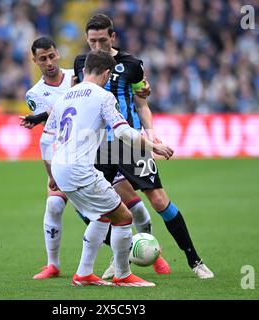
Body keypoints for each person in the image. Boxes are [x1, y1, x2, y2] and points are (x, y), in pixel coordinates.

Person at [73, 14, 214, 279]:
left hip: (129, 143)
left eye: (103, 40)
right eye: (92, 41)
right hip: (97, 147)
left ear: (112, 37)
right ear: (86, 39)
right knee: (95, 207)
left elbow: (142, 104)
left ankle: (195, 261)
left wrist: (152, 135)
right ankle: (121, 258)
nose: (98, 46)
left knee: (159, 199)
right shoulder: (81, 63)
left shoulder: (132, 65)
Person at [20, 37, 163, 280]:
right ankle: (123, 275)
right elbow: (123, 131)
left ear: (83, 70)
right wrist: (151, 145)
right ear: (107, 74)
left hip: (60, 169)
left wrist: (51, 175)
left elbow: (45, 141)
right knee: (124, 217)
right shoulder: (103, 96)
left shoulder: (65, 98)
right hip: (80, 169)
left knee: (100, 216)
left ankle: (84, 273)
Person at [20, 37, 75, 279]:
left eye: (52, 56)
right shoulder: (34, 94)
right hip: (62, 153)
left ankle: (143, 250)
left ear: (58, 54)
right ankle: (52, 264)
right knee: (53, 204)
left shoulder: (77, 76)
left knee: (120, 207)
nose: (49, 62)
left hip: (93, 149)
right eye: (42, 58)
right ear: (35, 61)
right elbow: (52, 122)